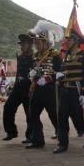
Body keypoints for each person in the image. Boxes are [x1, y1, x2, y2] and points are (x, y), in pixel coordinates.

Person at [53, 30, 84, 153]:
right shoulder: (66, 56)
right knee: (62, 116)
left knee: (79, 117)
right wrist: (59, 75)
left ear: (76, 41)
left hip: (76, 91)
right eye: (66, 40)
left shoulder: (83, 55)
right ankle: (63, 144)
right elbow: (63, 71)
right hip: (65, 90)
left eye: (69, 40)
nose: (66, 42)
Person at [26, 20, 63, 149]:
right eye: (35, 43)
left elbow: (61, 72)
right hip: (37, 88)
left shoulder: (55, 55)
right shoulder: (35, 56)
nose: (36, 45)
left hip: (50, 89)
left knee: (53, 113)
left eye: (38, 43)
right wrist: (31, 74)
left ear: (46, 42)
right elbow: (34, 71)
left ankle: (62, 135)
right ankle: (37, 140)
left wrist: (48, 79)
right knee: (33, 114)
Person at [2, 33, 35, 142]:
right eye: (21, 44)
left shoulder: (34, 57)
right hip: (18, 87)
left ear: (30, 44)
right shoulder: (20, 56)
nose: (22, 46)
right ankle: (11, 132)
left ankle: (30, 136)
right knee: (8, 108)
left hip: (28, 87)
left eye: (24, 44)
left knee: (29, 113)